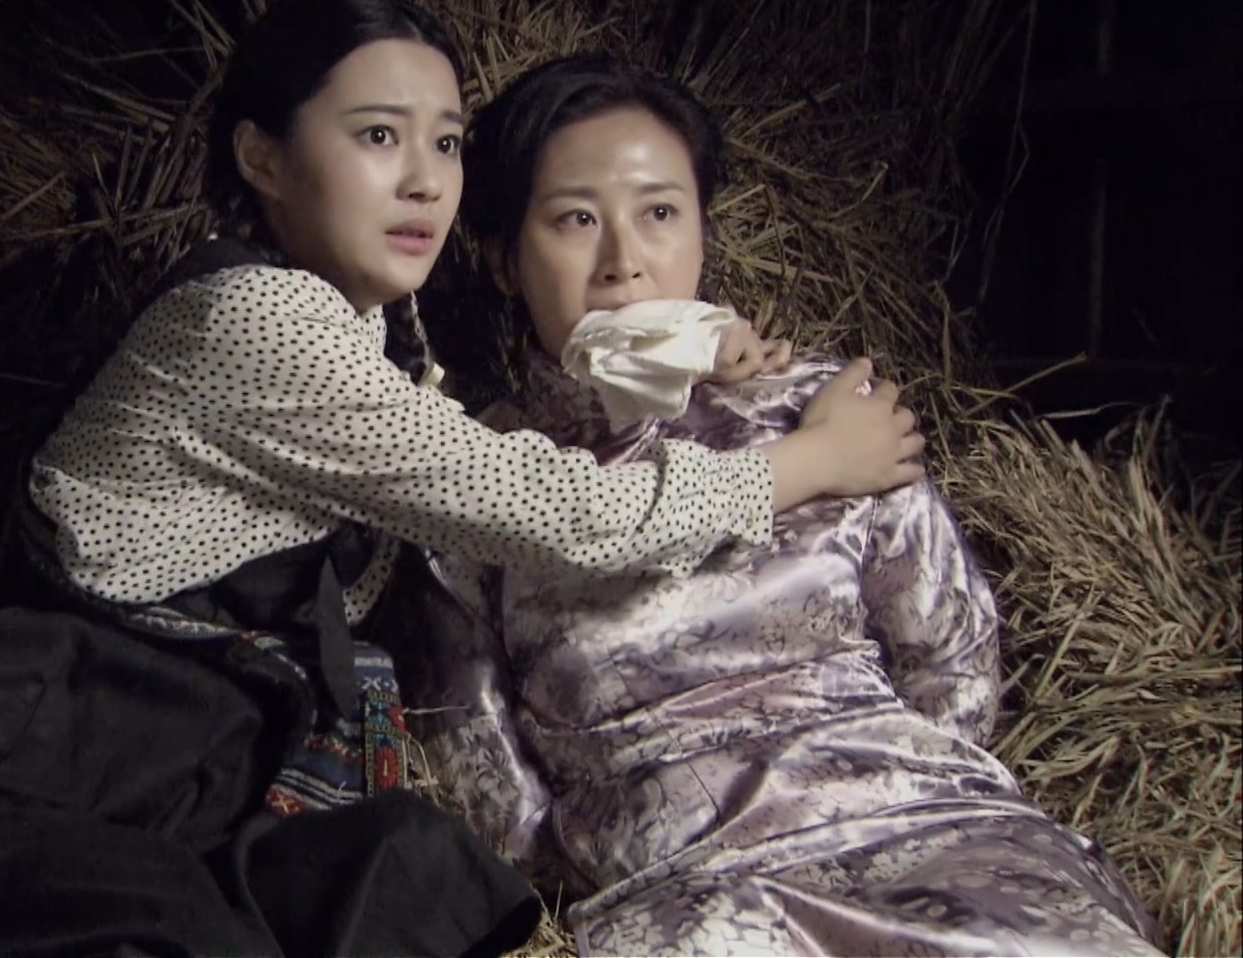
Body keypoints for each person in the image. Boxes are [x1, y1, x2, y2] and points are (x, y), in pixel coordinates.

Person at [0, 0, 922, 958]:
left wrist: (692, 350)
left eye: (446, 143)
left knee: (412, 873)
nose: (424, 181)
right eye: (376, 137)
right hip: (63, 749)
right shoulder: (257, 323)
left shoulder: (379, 343)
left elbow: (498, 440)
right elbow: (555, 508)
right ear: (260, 155)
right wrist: (808, 460)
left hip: (210, 758)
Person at [387, 53, 1163, 957]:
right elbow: (488, 780)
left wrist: (880, 787)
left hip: (927, 827)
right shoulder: (480, 484)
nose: (624, 264)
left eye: (660, 213)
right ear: (503, 259)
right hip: (692, 890)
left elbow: (951, 664)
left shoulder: (821, 410)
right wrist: (619, 841)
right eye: (575, 220)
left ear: (703, 232)